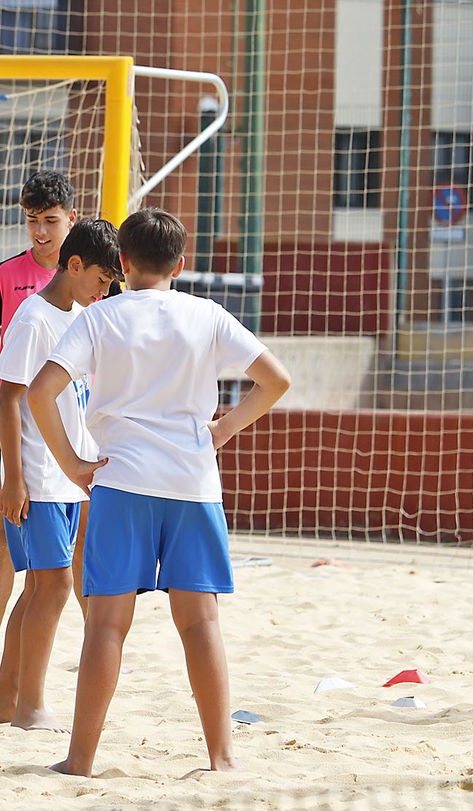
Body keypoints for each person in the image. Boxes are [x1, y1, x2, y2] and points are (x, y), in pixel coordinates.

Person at [27, 207, 291, 776]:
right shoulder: (208, 315)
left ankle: (80, 761)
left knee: (106, 626)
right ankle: (222, 759)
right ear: (181, 262)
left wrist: (73, 463)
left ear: (121, 263)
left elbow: (39, 394)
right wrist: (223, 428)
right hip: (193, 486)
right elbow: (276, 380)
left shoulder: (101, 317)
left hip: (121, 483)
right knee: (201, 624)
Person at [0, 219, 120, 731]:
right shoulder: (34, 317)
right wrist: (14, 479)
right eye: (102, 280)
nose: (105, 291)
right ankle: (30, 705)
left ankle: (4, 703)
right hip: (38, 474)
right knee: (54, 587)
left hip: (71, 475)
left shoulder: (80, 316)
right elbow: (8, 397)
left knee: (42, 588)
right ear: (76, 264)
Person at [0, 171, 82, 671]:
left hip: (76, 430)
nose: (41, 232)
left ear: (73, 216)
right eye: (31, 221)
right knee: (6, 538)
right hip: (21, 431)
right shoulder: (7, 274)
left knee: (82, 544)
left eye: (50, 221)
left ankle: (93, 643)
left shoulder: (94, 278)